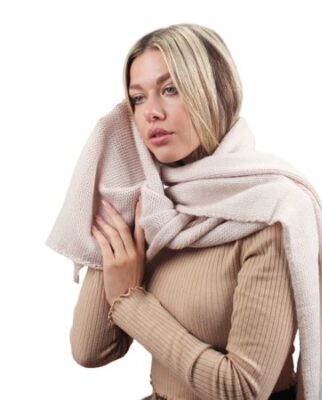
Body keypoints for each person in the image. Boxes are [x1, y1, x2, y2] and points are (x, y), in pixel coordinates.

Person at [69, 23, 300, 400]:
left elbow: (243, 389)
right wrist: (118, 182)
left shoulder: (271, 213)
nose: (151, 113)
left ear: (216, 92)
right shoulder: (156, 209)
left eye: (170, 89)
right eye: (137, 98)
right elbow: (91, 350)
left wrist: (130, 300)